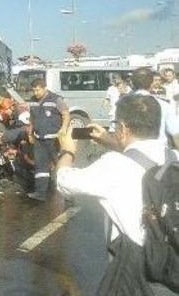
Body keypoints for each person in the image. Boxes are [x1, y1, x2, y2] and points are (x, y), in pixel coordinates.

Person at [56, 95, 175, 295]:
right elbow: (140, 156)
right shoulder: (173, 157)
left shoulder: (113, 165)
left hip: (139, 271)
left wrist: (67, 150)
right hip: (173, 265)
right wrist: (110, 140)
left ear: (123, 128)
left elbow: (64, 181)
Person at [27, 78, 70, 201]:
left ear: (45, 88)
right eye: (34, 90)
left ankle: (68, 195)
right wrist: (30, 133)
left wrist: (63, 129)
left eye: (38, 90)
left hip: (54, 140)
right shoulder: (32, 101)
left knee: (61, 166)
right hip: (39, 139)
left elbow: (66, 114)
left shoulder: (56, 99)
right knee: (40, 167)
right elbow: (31, 118)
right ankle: (40, 193)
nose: (36, 93)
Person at [130, 67, 179, 147]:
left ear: (132, 82)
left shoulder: (122, 104)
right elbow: (176, 134)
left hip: (132, 152)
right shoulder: (164, 105)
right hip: (159, 151)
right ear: (152, 82)